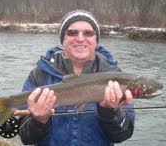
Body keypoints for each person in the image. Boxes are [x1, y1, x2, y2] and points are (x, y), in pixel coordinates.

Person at [19, 10, 135, 146]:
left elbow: (122, 134)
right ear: (63, 39)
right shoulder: (39, 75)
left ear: (96, 40)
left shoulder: (115, 77)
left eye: (88, 33)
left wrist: (110, 113)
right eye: (72, 32)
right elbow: (26, 138)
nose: (80, 38)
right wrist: (38, 121)